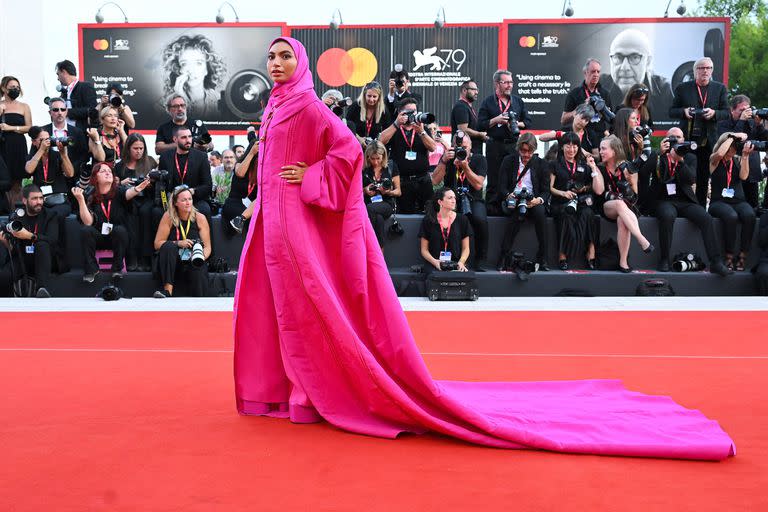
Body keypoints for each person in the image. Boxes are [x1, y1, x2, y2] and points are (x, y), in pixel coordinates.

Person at [232, 36, 735, 461]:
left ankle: (308, 394)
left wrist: (311, 175)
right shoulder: (275, 106)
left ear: (299, 65)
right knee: (272, 305)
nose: (276, 64)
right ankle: (282, 389)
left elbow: (346, 152)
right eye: (272, 57)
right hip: (271, 222)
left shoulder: (311, 106)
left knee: (307, 305)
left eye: (285, 57)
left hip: (296, 223)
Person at [651, 128, 730, 275]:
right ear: (666, 140)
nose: (675, 140)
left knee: (705, 218)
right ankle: (664, 259)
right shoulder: (659, 155)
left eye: (679, 137)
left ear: (683, 139)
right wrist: (660, 154)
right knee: (667, 215)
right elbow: (652, 173)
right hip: (664, 199)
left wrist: (680, 160)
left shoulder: (690, 157)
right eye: (672, 137)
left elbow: (691, 178)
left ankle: (715, 261)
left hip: (685, 200)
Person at [72, 162, 150, 282]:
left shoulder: (119, 191)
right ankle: (92, 269)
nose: (108, 173)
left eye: (109, 171)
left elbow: (128, 194)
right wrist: (81, 200)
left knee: (120, 230)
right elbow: (88, 222)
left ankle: (117, 269)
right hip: (98, 236)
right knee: (85, 230)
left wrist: (137, 189)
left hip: (117, 238)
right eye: (103, 171)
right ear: (95, 177)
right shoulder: (90, 194)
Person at [669, 57, 730, 206]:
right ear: (695, 71)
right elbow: (671, 111)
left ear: (712, 71)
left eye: (708, 68)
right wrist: (684, 111)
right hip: (687, 139)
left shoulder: (719, 88)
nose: (705, 71)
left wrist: (714, 113)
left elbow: (726, 113)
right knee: (684, 174)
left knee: (703, 176)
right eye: (702, 68)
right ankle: (682, 204)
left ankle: (701, 208)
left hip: (707, 140)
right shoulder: (683, 88)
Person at [594, 135, 654, 272]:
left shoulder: (628, 167)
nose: (600, 151)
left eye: (604, 149)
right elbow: (599, 192)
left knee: (622, 219)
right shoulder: (599, 167)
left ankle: (623, 262)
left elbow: (634, 197)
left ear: (614, 150)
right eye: (600, 149)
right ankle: (641, 239)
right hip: (607, 206)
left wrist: (628, 186)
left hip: (626, 208)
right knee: (619, 204)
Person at [431, 131, 489, 270]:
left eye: (464, 148)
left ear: (470, 147)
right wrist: (444, 160)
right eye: (458, 148)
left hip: (473, 197)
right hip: (451, 198)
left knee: (480, 219)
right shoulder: (448, 158)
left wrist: (465, 166)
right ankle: (450, 257)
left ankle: (481, 258)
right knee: (448, 218)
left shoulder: (479, 159)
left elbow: (478, 185)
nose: (461, 151)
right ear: (452, 147)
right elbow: (434, 181)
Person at [478, 69, 531, 214]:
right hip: (494, 144)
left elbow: (528, 122)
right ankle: (491, 210)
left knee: (511, 178)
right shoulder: (488, 102)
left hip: (513, 145)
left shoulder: (518, 101)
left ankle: (510, 206)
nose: (509, 85)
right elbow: (480, 125)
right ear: (497, 83)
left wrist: (515, 123)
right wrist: (497, 120)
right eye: (506, 82)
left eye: (511, 82)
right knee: (494, 179)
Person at [496, 133, 550, 271]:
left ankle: (542, 256)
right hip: (514, 199)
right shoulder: (508, 161)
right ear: (518, 148)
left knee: (540, 214)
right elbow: (501, 186)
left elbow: (546, 190)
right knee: (515, 217)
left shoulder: (541, 164)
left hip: (533, 200)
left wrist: (538, 200)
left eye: (529, 151)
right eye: (523, 151)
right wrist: (509, 195)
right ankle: (503, 256)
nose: (526, 154)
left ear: (534, 150)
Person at [549, 132, 600, 270]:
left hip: (580, 201)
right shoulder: (554, 164)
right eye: (568, 146)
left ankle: (591, 250)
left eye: (575, 146)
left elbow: (591, 186)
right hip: (560, 201)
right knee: (566, 215)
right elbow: (550, 188)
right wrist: (564, 193)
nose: (571, 150)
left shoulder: (584, 164)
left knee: (588, 213)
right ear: (562, 147)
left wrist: (583, 189)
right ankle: (562, 255)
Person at [378, 97, 436, 214]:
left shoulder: (421, 127)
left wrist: (422, 132)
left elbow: (432, 147)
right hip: (402, 181)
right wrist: (396, 124)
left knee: (430, 213)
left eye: (414, 111)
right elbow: (380, 141)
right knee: (405, 215)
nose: (412, 115)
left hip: (423, 180)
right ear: (401, 113)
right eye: (409, 112)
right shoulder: (394, 127)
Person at [708, 132, 756, 271]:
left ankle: (743, 254)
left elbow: (744, 176)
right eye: (732, 145)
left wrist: (745, 156)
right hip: (718, 202)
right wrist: (731, 138)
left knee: (749, 215)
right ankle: (729, 255)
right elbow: (720, 153)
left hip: (738, 201)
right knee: (731, 216)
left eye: (735, 146)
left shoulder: (737, 159)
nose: (734, 148)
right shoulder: (714, 159)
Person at [153, 185, 211, 298]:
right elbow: (157, 243)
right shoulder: (168, 216)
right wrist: (178, 243)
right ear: (175, 203)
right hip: (174, 261)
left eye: (189, 199)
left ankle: (199, 301)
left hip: (192, 259)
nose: (188, 202)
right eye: (183, 200)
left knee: (198, 265)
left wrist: (199, 257)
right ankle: (167, 291)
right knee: (168, 247)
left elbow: (208, 247)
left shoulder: (200, 218)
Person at [0, 184, 58, 298]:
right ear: (25, 201)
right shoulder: (16, 216)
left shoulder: (50, 215)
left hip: (44, 259)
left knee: (42, 244)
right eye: (34, 199)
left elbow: (52, 241)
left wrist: (29, 236)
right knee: (3, 276)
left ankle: (42, 289)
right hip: (22, 258)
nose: (39, 202)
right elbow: (14, 249)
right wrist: (6, 243)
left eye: (41, 198)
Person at [601, 29, 673, 119]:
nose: (625, 67)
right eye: (618, 57)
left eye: (635, 57)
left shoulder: (665, 90)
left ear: (648, 61)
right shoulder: (599, 86)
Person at [114, 133, 157, 271]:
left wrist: (150, 184)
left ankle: (145, 258)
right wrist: (122, 182)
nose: (139, 151)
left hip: (147, 198)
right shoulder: (120, 166)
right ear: (128, 148)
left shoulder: (150, 162)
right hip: (128, 200)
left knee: (145, 213)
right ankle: (131, 256)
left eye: (141, 148)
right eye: (135, 148)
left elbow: (158, 184)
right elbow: (114, 188)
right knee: (129, 214)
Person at [716, 95, 768, 209]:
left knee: (752, 207)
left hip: (751, 171)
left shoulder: (752, 122)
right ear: (732, 110)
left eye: (747, 109)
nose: (745, 113)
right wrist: (741, 121)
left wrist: (759, 124)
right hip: (731, 171)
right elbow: (731, 142)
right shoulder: (723, 124)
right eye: (741, 110)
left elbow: (765, 139)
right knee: (733, 207)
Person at [161, 34, 225, 120]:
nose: (191, 70)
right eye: (184, 64)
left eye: (198, 63)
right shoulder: (162, 106)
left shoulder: (220, 101)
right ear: (178, 69)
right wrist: (179, 100)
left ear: (207, 69)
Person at [158, 125, 213, 221]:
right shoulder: (165, 157)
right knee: (156, 211)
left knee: (205, 209)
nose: (188, 140)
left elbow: (207, 186)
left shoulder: (201, 157)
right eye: (183, 137)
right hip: (173, 200)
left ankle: (206, 236)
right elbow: (162, 184)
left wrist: (191, 192)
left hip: (194, 199)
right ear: (175, 139)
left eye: (190, 136)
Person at [24, 126, 75, 218]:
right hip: (40, 202)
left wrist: (63, 155)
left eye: (48, 139)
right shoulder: (32, 158)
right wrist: (41, 150)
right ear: (34, 142)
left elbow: (70, 174)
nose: (46, 142)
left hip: (60, 202)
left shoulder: (56, 155)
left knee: (53, 214)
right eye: (42, 140)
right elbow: (29, 170)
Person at [612, 107, 655, 213]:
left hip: (634, 173)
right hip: (618, 174)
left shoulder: (636, 135)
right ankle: (635, 205)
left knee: (652, 156)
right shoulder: (613, 139)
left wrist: (640, 147)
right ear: (625, 121)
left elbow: (639, 160)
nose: (637, 122)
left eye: (637, 118)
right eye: (634, 119)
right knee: (632, 173)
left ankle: (640, 205)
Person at [418, 187, 471, 273]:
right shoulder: (428, 220)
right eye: (450, 198)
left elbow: (466, 248)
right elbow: (424, 250)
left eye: (454, 198)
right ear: (440, 202)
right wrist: (435, 262)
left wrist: (461, 262)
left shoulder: (462, 219)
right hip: (434, 264)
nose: (454, 200)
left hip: (456, 264)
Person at [0, 76, 32, 204]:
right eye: (12, 87)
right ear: (3, 88)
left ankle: (17, 211)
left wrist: (10, 128)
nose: (16, 90)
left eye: (17, 87)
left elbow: (29, 127)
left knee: (17, 180)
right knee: (4, 179)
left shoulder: (24, 106)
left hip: (18, 146)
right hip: (3, 146)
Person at [362, 142, 401, 248]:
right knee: (378, 220)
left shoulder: (391, 166)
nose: (375, 162)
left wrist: (388, 192)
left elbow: (398, 192)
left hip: (386, 204)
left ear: (383, 156)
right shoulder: (363, 168)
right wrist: (365, 190)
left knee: (370, 208)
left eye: (378, 158)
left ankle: (369, 242)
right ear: (367, 157)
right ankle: (380, 258)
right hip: (370, 202)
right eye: (372, 158)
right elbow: (356, 191)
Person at [561, 58, 613, 135]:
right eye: (593, 71)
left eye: (598, 72)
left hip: (600, 137)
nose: (596, 74)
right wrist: (580, 109)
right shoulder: (575, 93)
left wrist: (604, 111)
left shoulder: (605, 94)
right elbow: (563, 120)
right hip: (581, 136)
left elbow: (611, 120)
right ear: (585, 73)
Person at [40, 97, 89, 177]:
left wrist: (71, 169)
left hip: (72, 177)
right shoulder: (42, 131)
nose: (60, 112)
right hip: (48, 175)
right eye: (56, 110)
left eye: (62, 109)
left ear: (66, 111)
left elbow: (83, 157)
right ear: (50, 112)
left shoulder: (77, 132)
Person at [223, 138, 258, 237]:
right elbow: (240, 173)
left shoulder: (263, 170)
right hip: (234, 202)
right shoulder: (239, 164)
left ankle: (241, 219)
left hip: (251, 206)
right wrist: (251, 153)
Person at [55, 60, 97, 132]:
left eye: (58, 74)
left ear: (64, 72)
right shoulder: (64, 93)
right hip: (65, 132)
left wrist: (67, 112)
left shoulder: (85, 87)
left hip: (81, 132)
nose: (58, 78)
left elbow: (91, 110)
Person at [345, 81, 391, 148]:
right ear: (364, 95)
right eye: (369, 96)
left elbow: (387, 131)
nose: (371, 99)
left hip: (375, 148)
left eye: (374, 96)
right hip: (356, 145)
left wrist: (378, 142)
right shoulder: (356, 106)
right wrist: (359, 139)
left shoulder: (383, 110)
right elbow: (346, 125)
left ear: (379, 97)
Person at [450, 80, 486, 154]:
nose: (476, 92)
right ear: (464, 90)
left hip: (473, 151)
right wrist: (480, 134)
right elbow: (463, 129)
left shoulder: (466, 106)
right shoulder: (461, 107)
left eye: (477, 90)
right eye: (473, 89)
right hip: (466, 153)